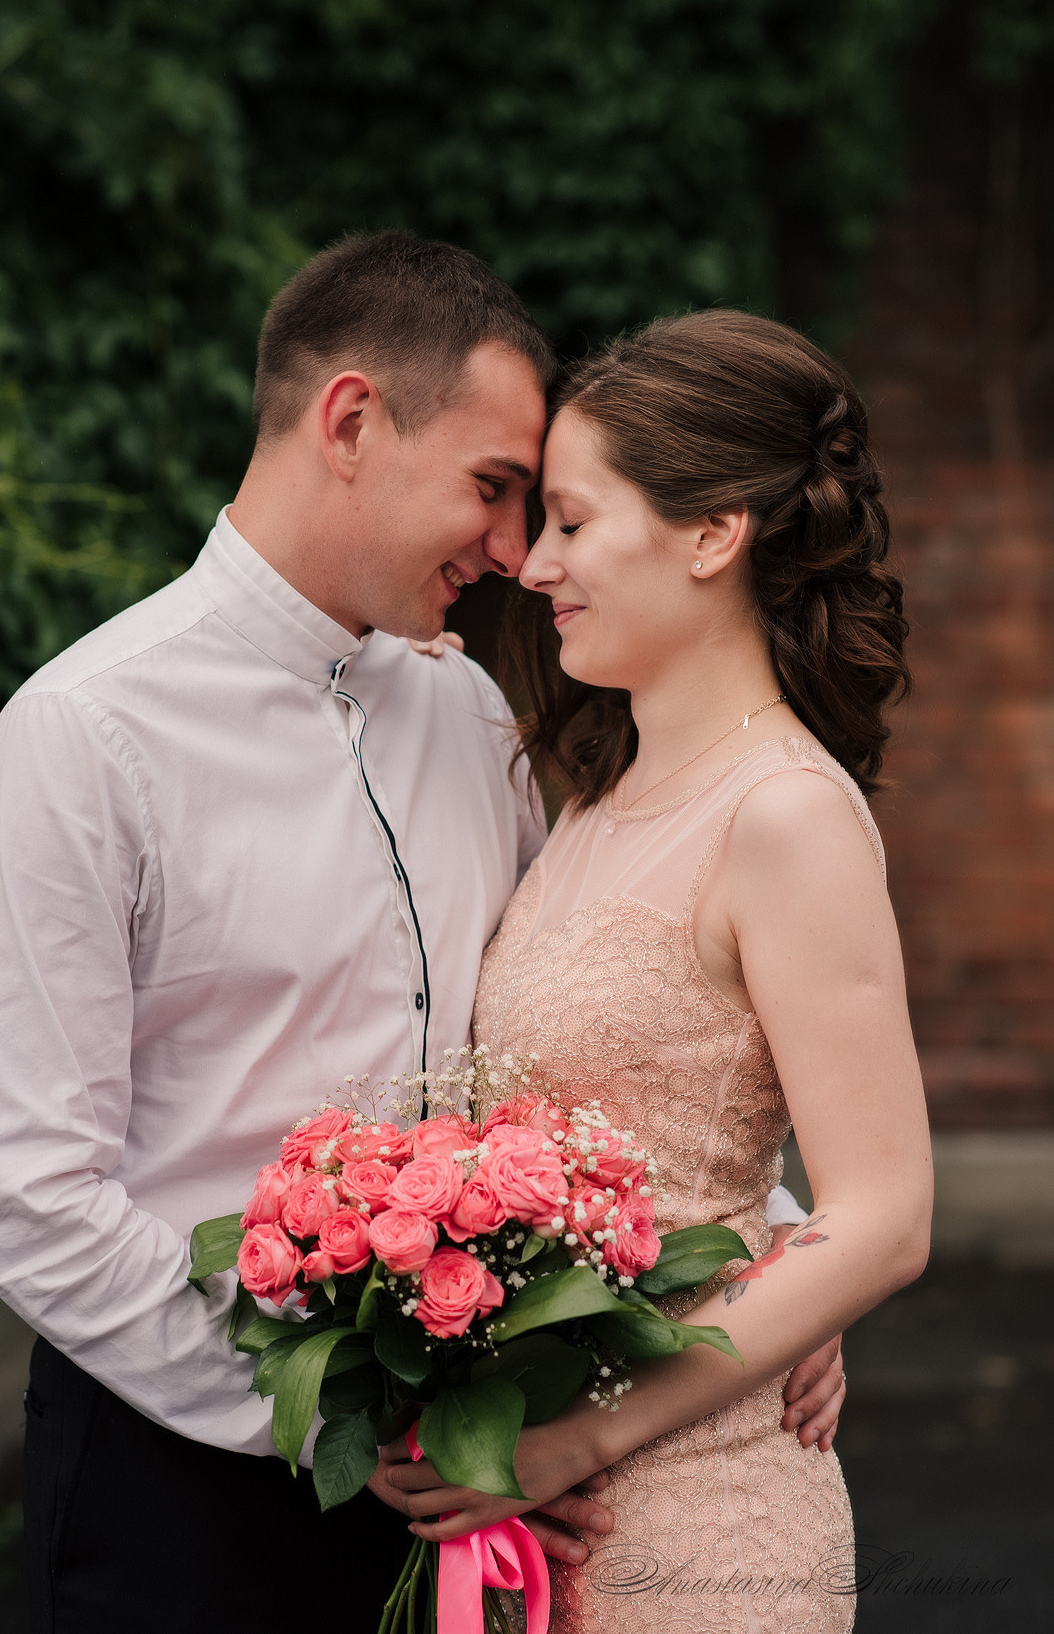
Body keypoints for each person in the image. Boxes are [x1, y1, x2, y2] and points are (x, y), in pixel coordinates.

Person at [0, 240, 846, 1634]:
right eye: (490, 490)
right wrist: (339, 1419)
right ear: (350, 423)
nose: (508, 553)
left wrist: (774, 1257)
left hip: (483, 1484)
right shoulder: (83, 738)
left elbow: (590, 1026)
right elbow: (22, 1196)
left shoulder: (468, 712)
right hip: (182, 1490)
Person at [378, 311, 933, 1632]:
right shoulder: (597, 795)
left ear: (709, 533)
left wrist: (570, 1445)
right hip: (539, 1523)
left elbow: (887, 1215)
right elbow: (685, 1117)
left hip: (700, 1526)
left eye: (572, 521)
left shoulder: (783, 813)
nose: (533, 563)